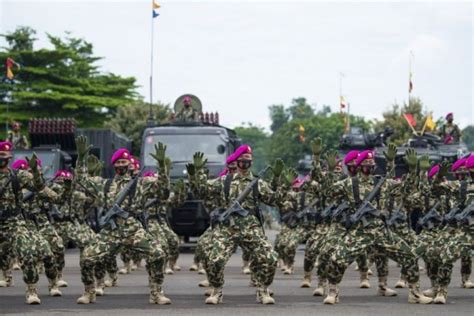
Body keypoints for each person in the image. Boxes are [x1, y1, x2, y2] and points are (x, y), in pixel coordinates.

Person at [187, 145, 284, 304]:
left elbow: (274, 200)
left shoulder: (257, 183)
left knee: (270, 258)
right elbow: (202, 191)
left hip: (251, 228)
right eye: (241, 161)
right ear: (237, 162)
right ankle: (217, 291)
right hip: (227, 228)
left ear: (251, 163)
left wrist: (278, 179)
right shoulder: (224, 181)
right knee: (214, 259)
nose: (244, 165)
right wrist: (195, 174)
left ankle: (263, 290)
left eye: (248, 161)